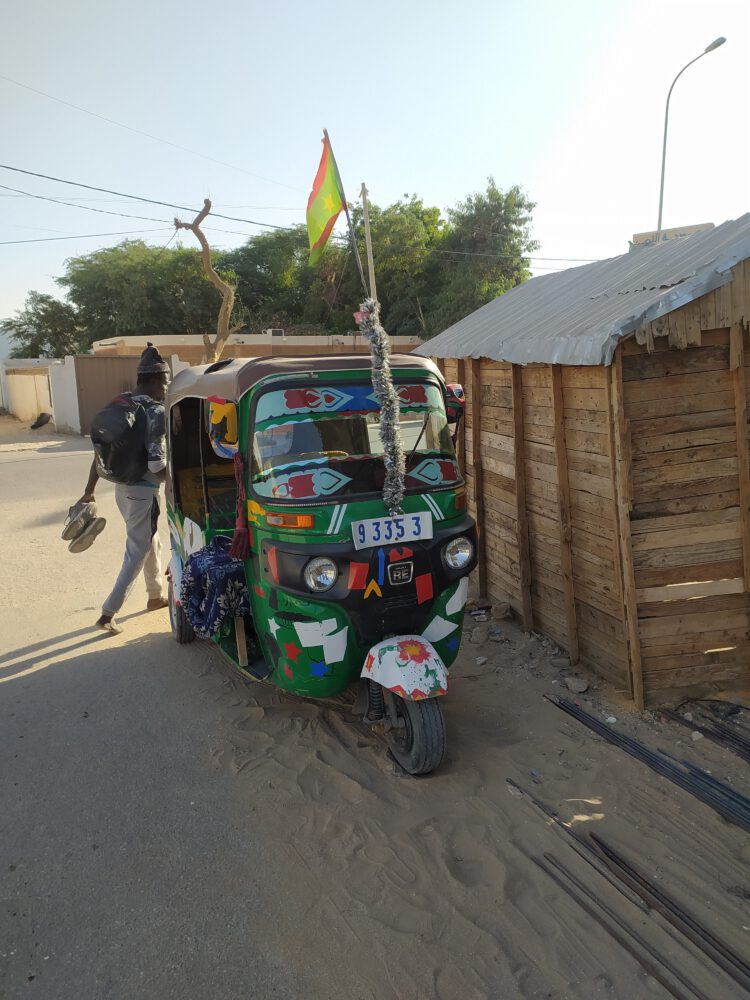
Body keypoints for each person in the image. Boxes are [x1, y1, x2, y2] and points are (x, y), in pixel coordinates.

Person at [79, 344, 171, 634]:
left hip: (122, 489)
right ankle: (108, 613)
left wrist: (89, 489)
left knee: (150, 541)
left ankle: (155, 596)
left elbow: (100, 452)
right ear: (155, 380)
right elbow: (157, 464)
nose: (166, 389)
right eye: (165, 382)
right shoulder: (154, 411)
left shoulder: (122, 403)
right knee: (137, 550)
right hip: (142, 492)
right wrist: (178, 484)